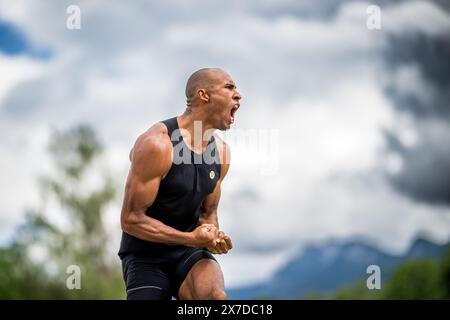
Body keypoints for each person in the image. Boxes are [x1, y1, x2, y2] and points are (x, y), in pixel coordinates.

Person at [118, 68, 242, 300]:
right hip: (145, 256)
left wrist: (211, 235)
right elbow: (131, 220)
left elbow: (209, 212)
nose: (238, 95)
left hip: (190, 252)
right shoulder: (157, 145)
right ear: (204, 95)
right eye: (229, 87)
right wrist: (190, 238)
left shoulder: (222, 153)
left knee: (215, 298)